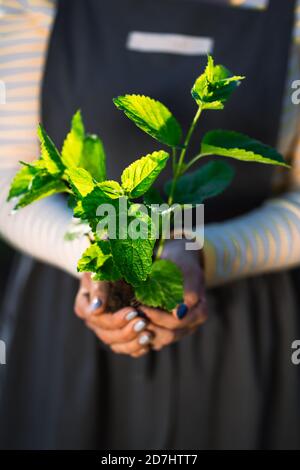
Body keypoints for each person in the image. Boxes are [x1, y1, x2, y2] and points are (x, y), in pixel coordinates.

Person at [0, 0, 300, 450]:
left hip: (243, 333)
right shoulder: (36, 5)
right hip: (70, 317)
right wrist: (97, 255)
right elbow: (10, 180)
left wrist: (202, 252)